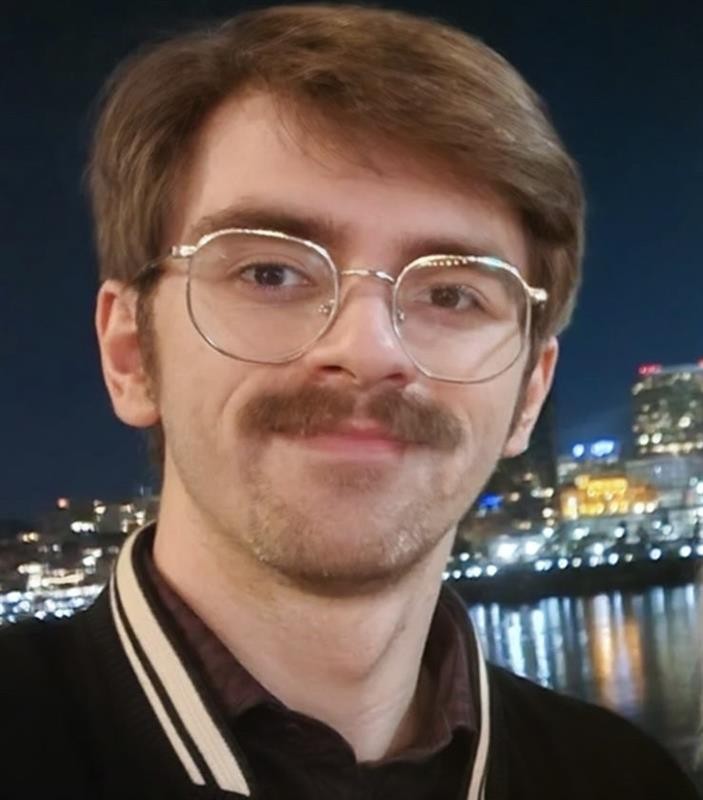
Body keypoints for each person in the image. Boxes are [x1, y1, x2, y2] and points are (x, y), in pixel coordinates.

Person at [1, 5, 698, 799]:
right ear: (130, 353)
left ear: (528, 392)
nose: (369, 350)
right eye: (271, 273)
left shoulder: (624, 779)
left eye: (450, 293)